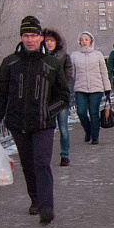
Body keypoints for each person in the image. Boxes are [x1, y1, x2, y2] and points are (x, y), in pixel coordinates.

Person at [0, 16, 70, 224]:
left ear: (41, 38)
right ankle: (35, 200)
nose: (30, 40)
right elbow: (0, 97)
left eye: (34, 35)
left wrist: (47, 110)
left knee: (41, 163)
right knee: (27, 164)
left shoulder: (52, 64)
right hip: (18, 124)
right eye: (26, 35)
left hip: (43, 124)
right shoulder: (10, 63)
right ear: (21, 37)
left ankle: (47, 206)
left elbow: (63, 96)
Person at [69, 31, 112, 145]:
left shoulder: (98, 55)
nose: (84, 42)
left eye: (86, 40)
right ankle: (88, 131)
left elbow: (104, 72)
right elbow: (71, 74)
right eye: (82, 40)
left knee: (93, 113)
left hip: (96, 88)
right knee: (81, 112)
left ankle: (95, 136)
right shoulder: (74, 56)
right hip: (80, 88)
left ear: (90, 41)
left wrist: (107, 88)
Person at [42, 29, 74, 165]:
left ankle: (64, 155)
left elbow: (69, 78)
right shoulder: (40, 58)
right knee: (46, 130)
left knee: (63, 128)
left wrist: (65, 94)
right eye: (47, 40)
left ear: (57, 42)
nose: (49, 43)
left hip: (60, 99)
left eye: (52, 41)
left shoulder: (64, 57)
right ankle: (44, 157)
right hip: (45, 99)